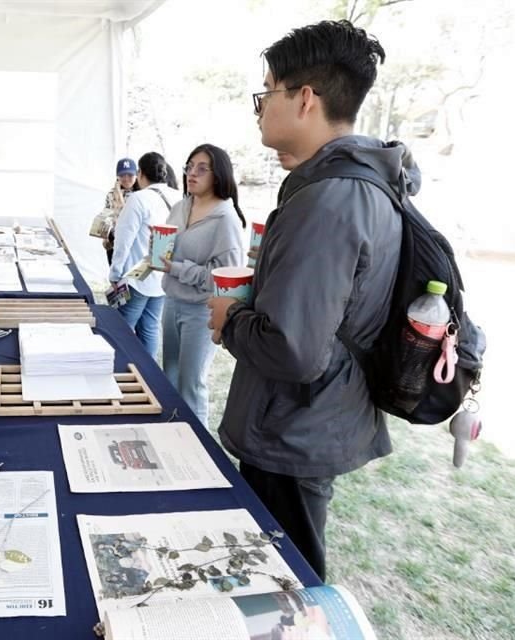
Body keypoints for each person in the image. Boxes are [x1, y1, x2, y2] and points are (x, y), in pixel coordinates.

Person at [207, 20, 410, 581]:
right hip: (308, 419)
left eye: (265, 92)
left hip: (294, 428)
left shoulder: (328, 199)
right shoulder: (357, 183)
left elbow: (293, 351)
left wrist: (230, 319)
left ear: (303, 99)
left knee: (286, 584)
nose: (258, 109)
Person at [159, 144, 246, 428]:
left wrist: (179, 269)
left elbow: (227, 278)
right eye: (188, 166)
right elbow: (168, 247)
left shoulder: (226, 219)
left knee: (191, 383)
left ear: (218, 175)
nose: (191, 174)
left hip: (201, 311)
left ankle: (199, 449)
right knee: (169, 376)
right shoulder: (181, 206)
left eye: (201, 168)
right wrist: (157, 253)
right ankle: (173, 434)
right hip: (171, 302)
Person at [109, 152, 180, 358]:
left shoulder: (138, 198)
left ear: (140, 173)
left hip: (136, 279)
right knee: (149, 329)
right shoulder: (178, 197)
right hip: (163, 277)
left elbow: (124, 240)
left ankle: (117, 374)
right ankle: (147, 378)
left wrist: (115, 274)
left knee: (118, 330)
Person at [102, 158, 138, 264]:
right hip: (113, 240)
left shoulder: (140, 195)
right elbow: (106, 215)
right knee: (115, 275)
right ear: (117, 176)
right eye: (122, 175)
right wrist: (104, 237)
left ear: (136, 175)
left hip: (132, 241)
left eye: (130, 175)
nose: (126, 179)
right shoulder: (111, 194)